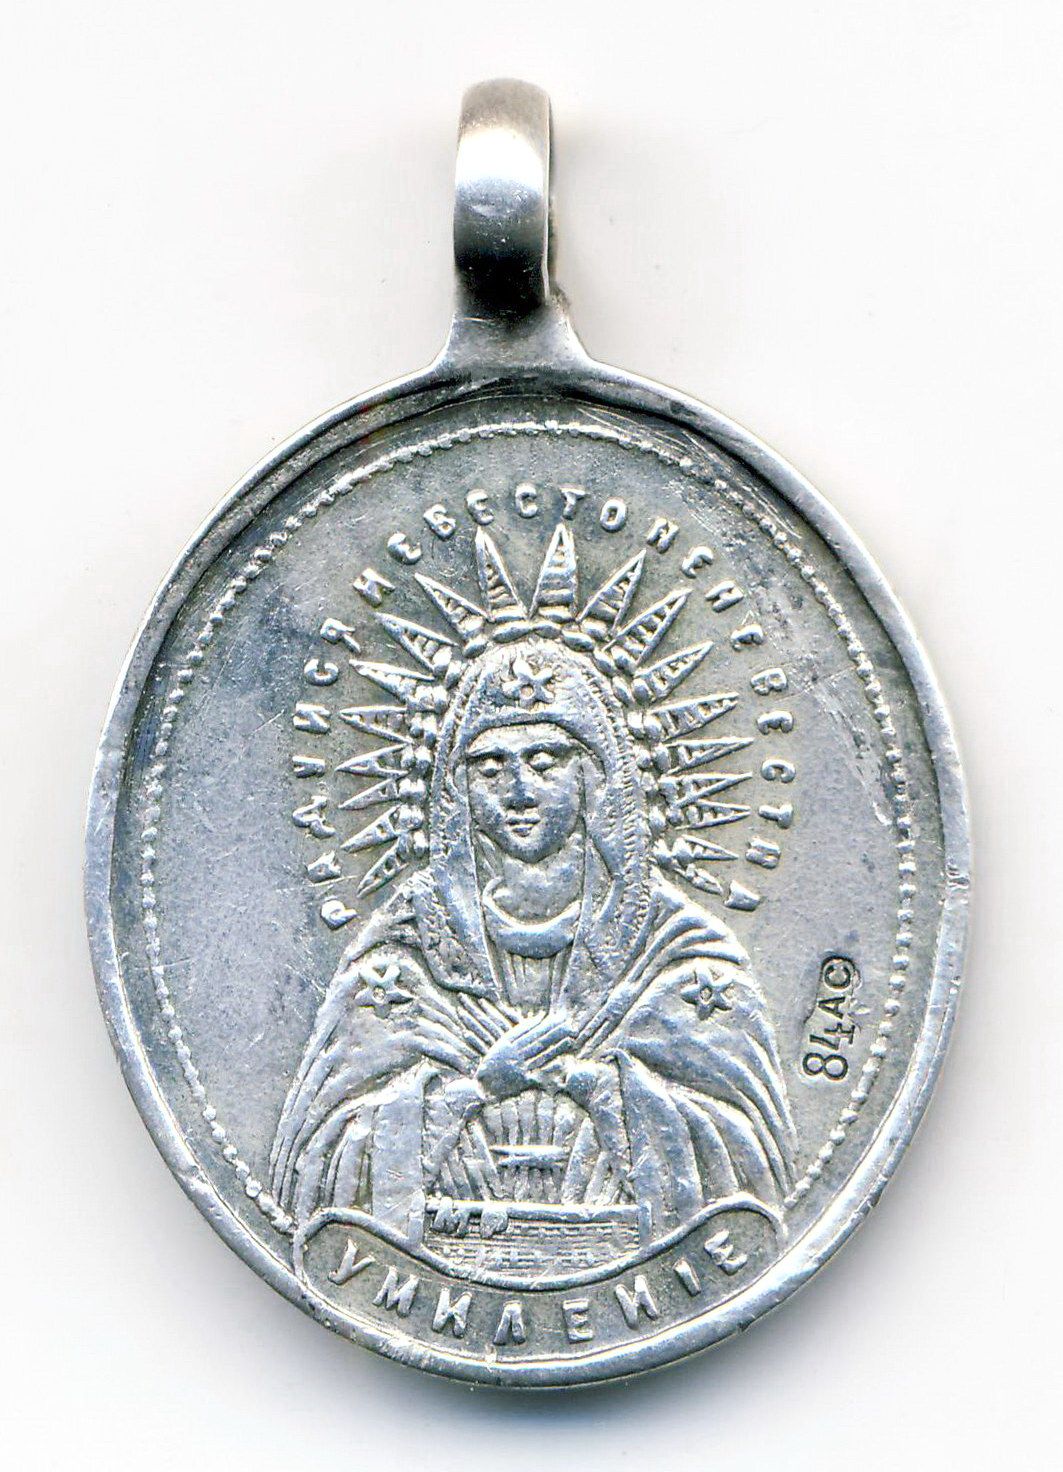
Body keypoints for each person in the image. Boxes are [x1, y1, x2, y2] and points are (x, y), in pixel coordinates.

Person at [270, 631, 797, 1253]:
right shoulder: (405, 952)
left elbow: (754, 1159)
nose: (518, 791)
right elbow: (318, 1162)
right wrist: (478, 1089)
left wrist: (598, 1088)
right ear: (456, 789)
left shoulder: (675, 951)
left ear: (594, 777)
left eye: (545, 762)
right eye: (490, 767)